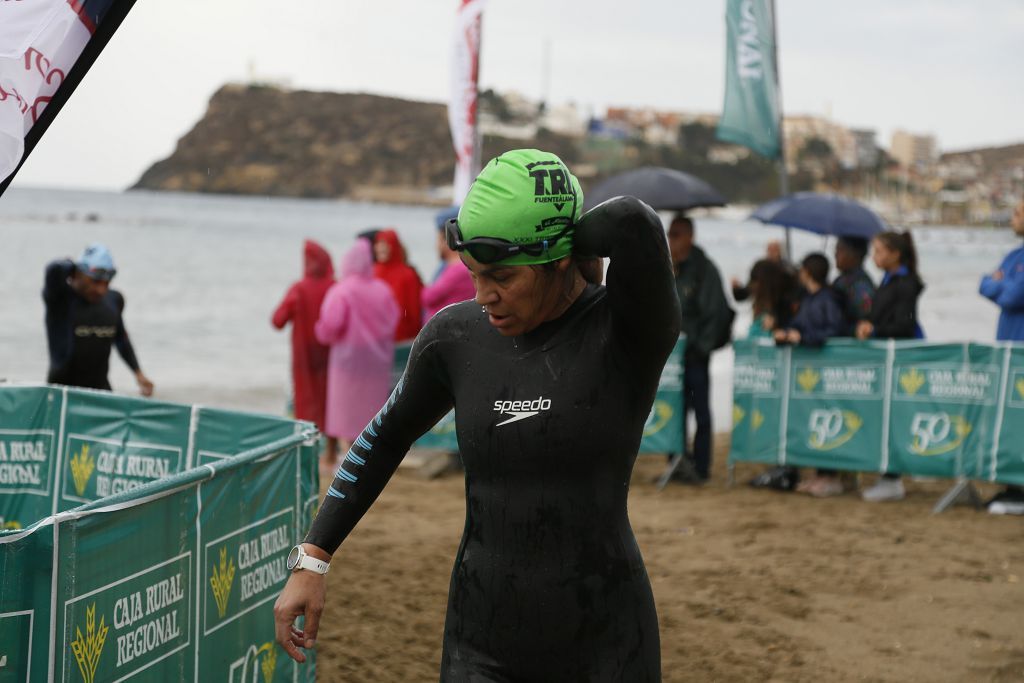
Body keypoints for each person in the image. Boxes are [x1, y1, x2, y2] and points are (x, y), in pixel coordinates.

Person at [274, 149, 680, 681]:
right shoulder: (455, 337)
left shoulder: (625, 334)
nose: (483, 295)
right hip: (482, 642)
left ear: (558, 258)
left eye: (503, 276)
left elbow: (634, 222)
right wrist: (313, 558)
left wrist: (563, 234)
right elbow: (383, 436)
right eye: (473, 273)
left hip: (606, 646)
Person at [314, 239, 399, 469]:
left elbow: (330, 326)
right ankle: (367, 459)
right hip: (377, 363)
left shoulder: (341, 290)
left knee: (344, 412)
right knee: (370, 414)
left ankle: (344, 460)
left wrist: (320, 333)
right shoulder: (383, 290)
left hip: (347, 363)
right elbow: (393, 321)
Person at [856, 230, 925, 502]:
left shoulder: (905, 283)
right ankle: (892, 474)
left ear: (896, 254)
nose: (875, 257)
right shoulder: (888, 280)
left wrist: (874, 330)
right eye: (874, 251)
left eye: (880, 252)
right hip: (888, 358)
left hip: (902, 361)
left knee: (894, 418)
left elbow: (905, 325)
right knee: (886, 418)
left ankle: (892, 478)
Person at [775, 253, 848, 497]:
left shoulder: (828, 299)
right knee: (812, 418)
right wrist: (786, 333)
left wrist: (804, 338)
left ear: (807, 272)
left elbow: (834, 330)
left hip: (826, 370)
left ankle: (830, 475)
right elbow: (799, 324)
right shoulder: (808, 298)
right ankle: (819, 474)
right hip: (808, 374)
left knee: (827, 416)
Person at [668, 214, 733, 482]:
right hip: (672, 355)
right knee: (675, 409)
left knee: (701, 412)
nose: (670, 240)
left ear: (690, 237)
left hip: (695, 353)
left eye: (676, 235)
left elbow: (715, 312)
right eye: (669, 234)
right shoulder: (668, 267)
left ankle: (702, 467)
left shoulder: (705, 269)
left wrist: (701, 347)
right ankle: (677, 463)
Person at [43, 243, 154, 395]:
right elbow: (52, 270)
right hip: (61, 393)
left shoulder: (114, 300)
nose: (101, 289)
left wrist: (138, 373)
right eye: (95, 281)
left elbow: (121, 339)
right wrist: (72, 266)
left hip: (101, 392)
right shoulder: (61, 299)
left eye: (106, 283)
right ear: (78, 274)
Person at [979, 199, 1024, 515]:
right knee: (1011, 424)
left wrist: (999, 283)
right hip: (1007, 353)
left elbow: (1011, 295)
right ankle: (1013, 486)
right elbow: (983, 285)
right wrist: (997, 285)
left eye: (1018, 213)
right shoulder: (1014, 255)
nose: (1012, 218)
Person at [271, 239, 335, 430]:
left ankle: (306, 439)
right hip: (328, 354)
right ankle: (329, 448)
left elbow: (277, 321)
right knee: (327, 400)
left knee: (305, 398)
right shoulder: (334, 286)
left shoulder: (298, 289)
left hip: (303, 354)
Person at [421, 206, 476, 321]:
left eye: (438, 238)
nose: (436, 245)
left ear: (446, 239)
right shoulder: (465, 264)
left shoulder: (457, 269)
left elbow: (428, 297)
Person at [373, 229, 424, 341]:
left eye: (385, 244)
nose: (381, 247)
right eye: (378, 244)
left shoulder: (408, 274)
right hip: (376, 337)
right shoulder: (373, 271)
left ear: (394, 246)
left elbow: (414, 311)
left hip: (401, 337)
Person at [832, 236, 876, 335]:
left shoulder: (860, 284)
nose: (835, 254)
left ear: (854, 254)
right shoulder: (841, 280)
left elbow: (865, 318)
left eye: (840, 250)